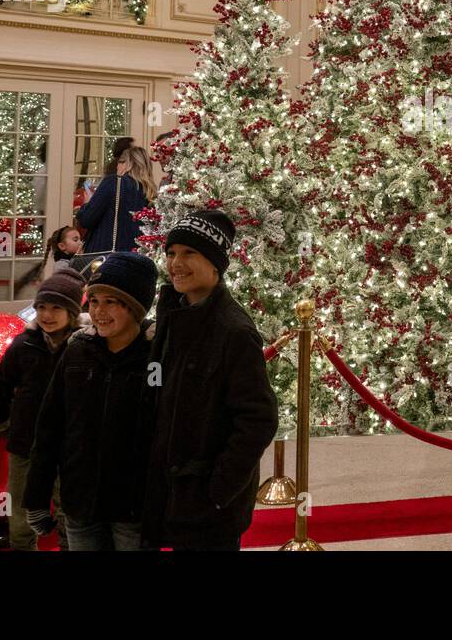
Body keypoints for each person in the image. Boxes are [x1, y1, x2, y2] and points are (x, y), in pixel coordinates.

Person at [141, 211, 278, 551]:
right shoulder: (172, 312)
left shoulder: (233, 331)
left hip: (206, 503)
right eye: (171, 252)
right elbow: (157, 385)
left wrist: (218, 491)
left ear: (215, 264)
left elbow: (258, 419)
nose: (176, 263)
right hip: (168, 491)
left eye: (190, 253)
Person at [24, 252, 157, 551]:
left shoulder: (154, 360)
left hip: (132, 507)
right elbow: (49, 428)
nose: (99, 311)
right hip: (80, 502)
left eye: (112, 301)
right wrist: (36, 497)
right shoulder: (76, 353)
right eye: (94, 301)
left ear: (135, 308)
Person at [0, 267, 83, 550]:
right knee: (19, 505)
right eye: (41, 307)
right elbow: (2, 383)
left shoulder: (83, 346)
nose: (46, 315)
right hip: (26, 441)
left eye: (56, 308)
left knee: (67, 504)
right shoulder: (23, 344)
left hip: (68, 444)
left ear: (72, 311)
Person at [74, 146, 154, 255]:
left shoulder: (113, 182)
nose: (117, 166)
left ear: (126, 164)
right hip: (138, 256)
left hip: (107, 255)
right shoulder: (150, 192)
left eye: (119, 162)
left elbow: (87, 219)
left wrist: (87, 203)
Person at [15, 225, 83, 295]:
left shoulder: (75, 261)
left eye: (80, 239)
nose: (80, 243)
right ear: (62, 246)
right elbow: (67, 286)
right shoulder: (61, 265)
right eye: (75, 240)